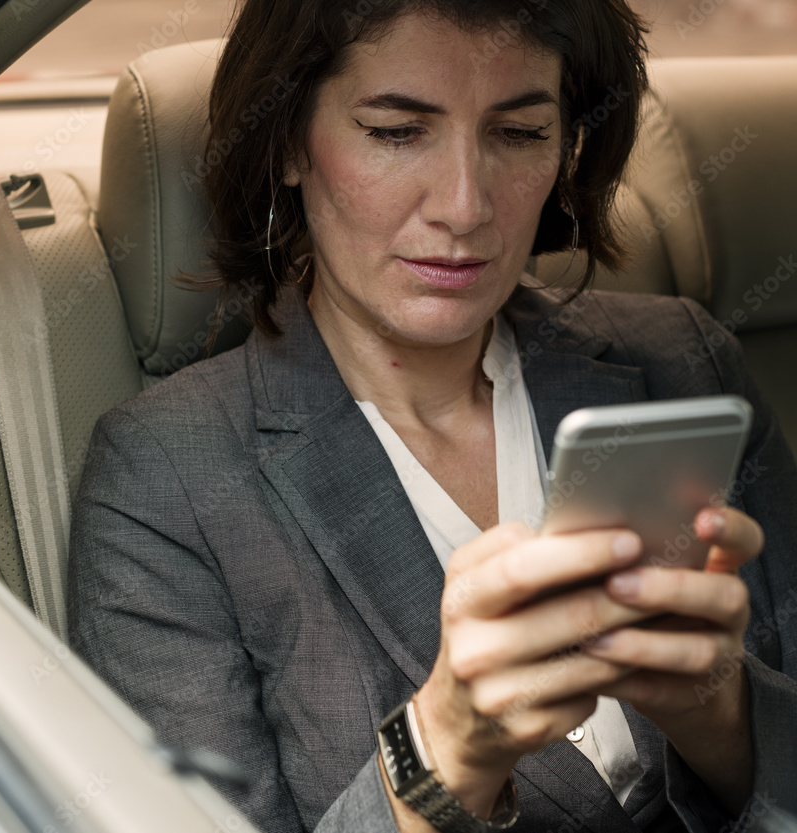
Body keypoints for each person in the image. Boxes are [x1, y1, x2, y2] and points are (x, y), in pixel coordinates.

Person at [68, 1, 797, 831]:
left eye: (519, 134)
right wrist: (445, 746)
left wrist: (725, 718)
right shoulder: (167, 476)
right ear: (289, 145)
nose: (463, 206)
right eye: (394, 132)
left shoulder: (684, 363)